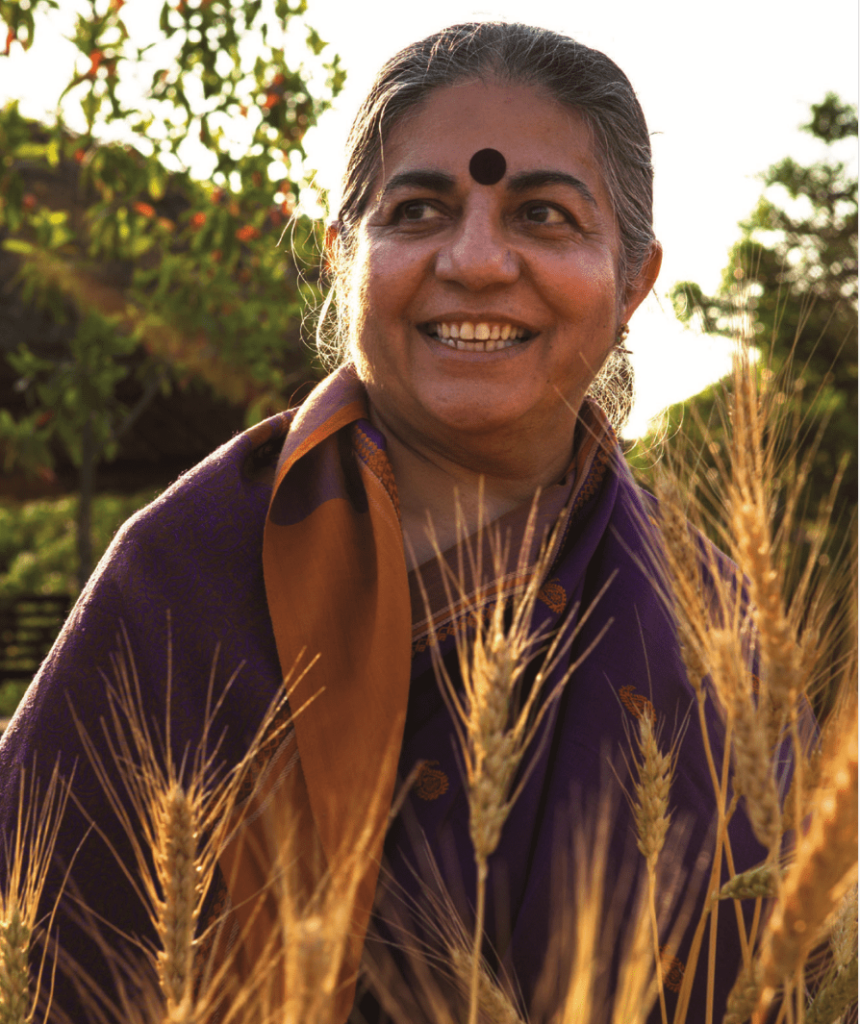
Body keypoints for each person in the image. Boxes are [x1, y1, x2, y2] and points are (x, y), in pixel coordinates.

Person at [0, 21, 769, 1024]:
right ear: (343, 256)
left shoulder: (711, 621)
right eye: (420, 210)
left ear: (632, 282)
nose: (477, 259)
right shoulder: (183, 573)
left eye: (541, 214)